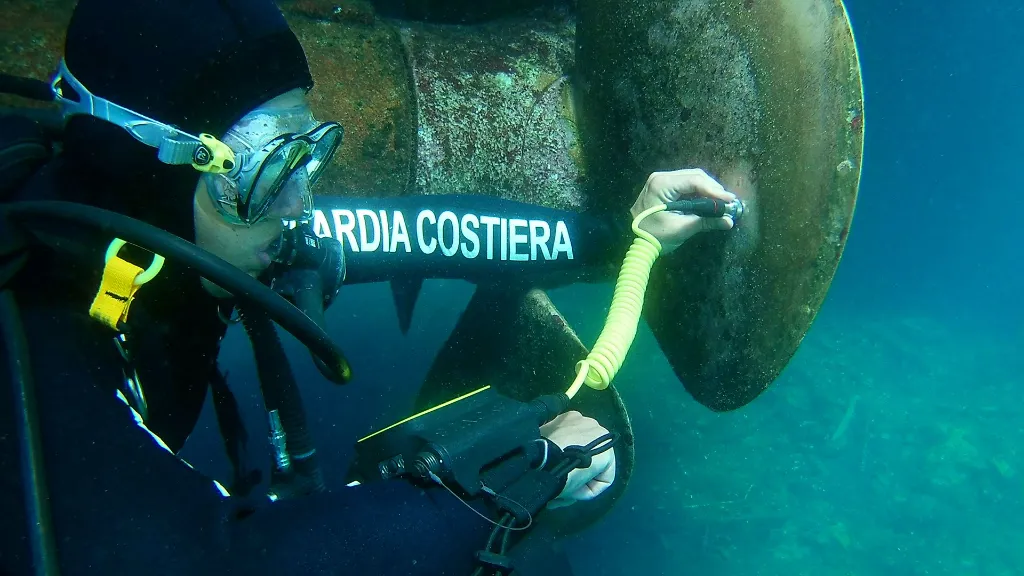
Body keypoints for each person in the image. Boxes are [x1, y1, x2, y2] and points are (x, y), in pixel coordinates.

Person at [0, 0, 737, 574]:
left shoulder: (181, 232)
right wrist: (512, 477)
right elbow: (208, 564)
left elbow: (427, 232)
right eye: (263, 171)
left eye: (303, 155)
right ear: (149, 173)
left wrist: (622, 233)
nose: (299, 205)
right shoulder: (38, 350)